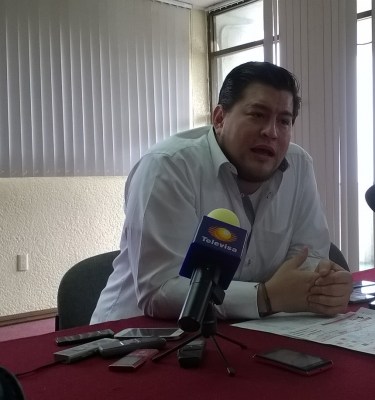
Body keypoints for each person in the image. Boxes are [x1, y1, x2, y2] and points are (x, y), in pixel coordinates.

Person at [91, 61, 352, 324]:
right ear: (219, 118)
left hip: (245, 327)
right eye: (257, 115)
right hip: (136, 334)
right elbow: (159, 289)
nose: (271, 132)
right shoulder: (168, 167)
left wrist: (322, 286)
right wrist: (264, 297)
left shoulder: (299, 165)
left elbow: (308, 256)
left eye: (284, 121)